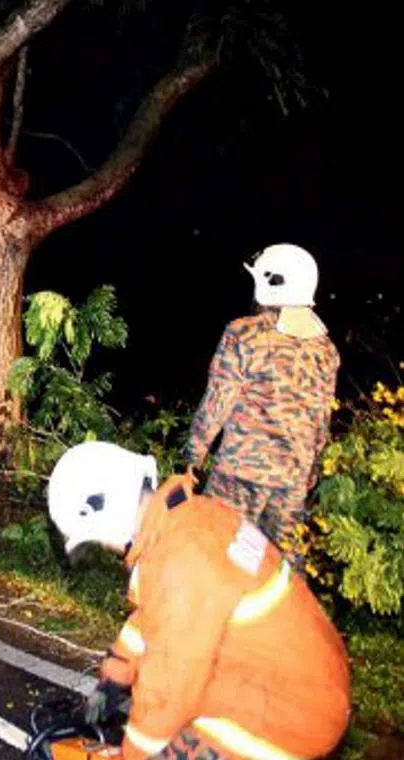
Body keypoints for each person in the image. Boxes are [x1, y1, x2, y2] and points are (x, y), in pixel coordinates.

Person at [47, 440, 351, 760]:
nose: (107, 547)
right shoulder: (192, 520)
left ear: (106, 513)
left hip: (285, 715)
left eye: (98, 538)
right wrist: (113, 680)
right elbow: (154, 623)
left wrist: (133, 753)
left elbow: (169, 686)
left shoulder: (181, 558)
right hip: (293, 686)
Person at [185, 243, 340, 571]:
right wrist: (309, 473)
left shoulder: (243, 333)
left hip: (239, 474)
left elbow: (217, 402)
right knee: (279, 571)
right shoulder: (326, 351)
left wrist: (194, 456)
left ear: (269, 283)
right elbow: (321, 420)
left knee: (211, 556)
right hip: (292, 481)